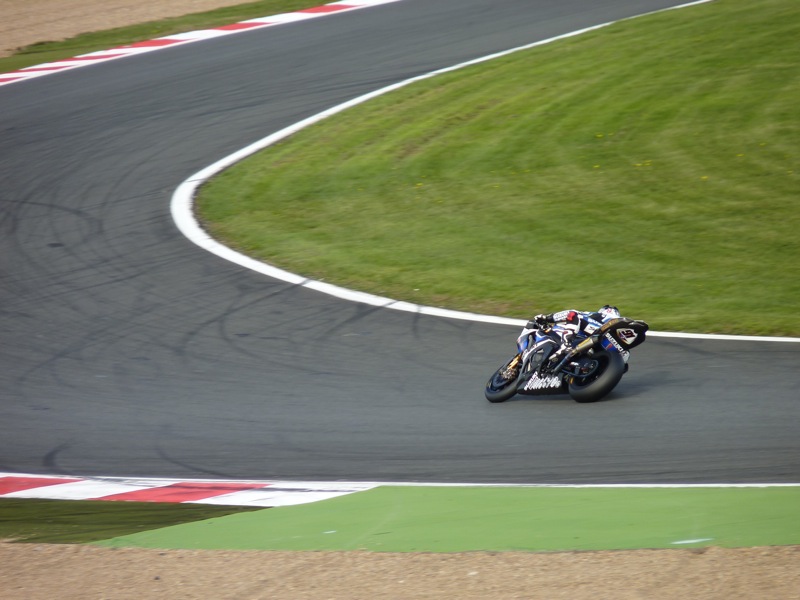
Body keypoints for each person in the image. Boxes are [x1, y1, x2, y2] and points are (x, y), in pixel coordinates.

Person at [517, 305, 621, 366]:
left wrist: (547, 318)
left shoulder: (597, 315)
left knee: (573, 314)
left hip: (588, 335)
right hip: (606, 349)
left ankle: (566, 344)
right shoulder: (615, 328)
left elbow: (571, 314)